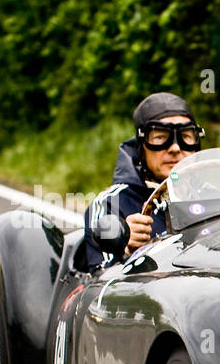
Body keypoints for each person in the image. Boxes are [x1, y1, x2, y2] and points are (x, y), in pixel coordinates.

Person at [81, 92, 205, 269]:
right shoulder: (111, 204)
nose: (176, 148)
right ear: (141, 147)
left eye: (185, 136)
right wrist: (125, 249)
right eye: (161, 137)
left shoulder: (216, 199)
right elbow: (97, 281)